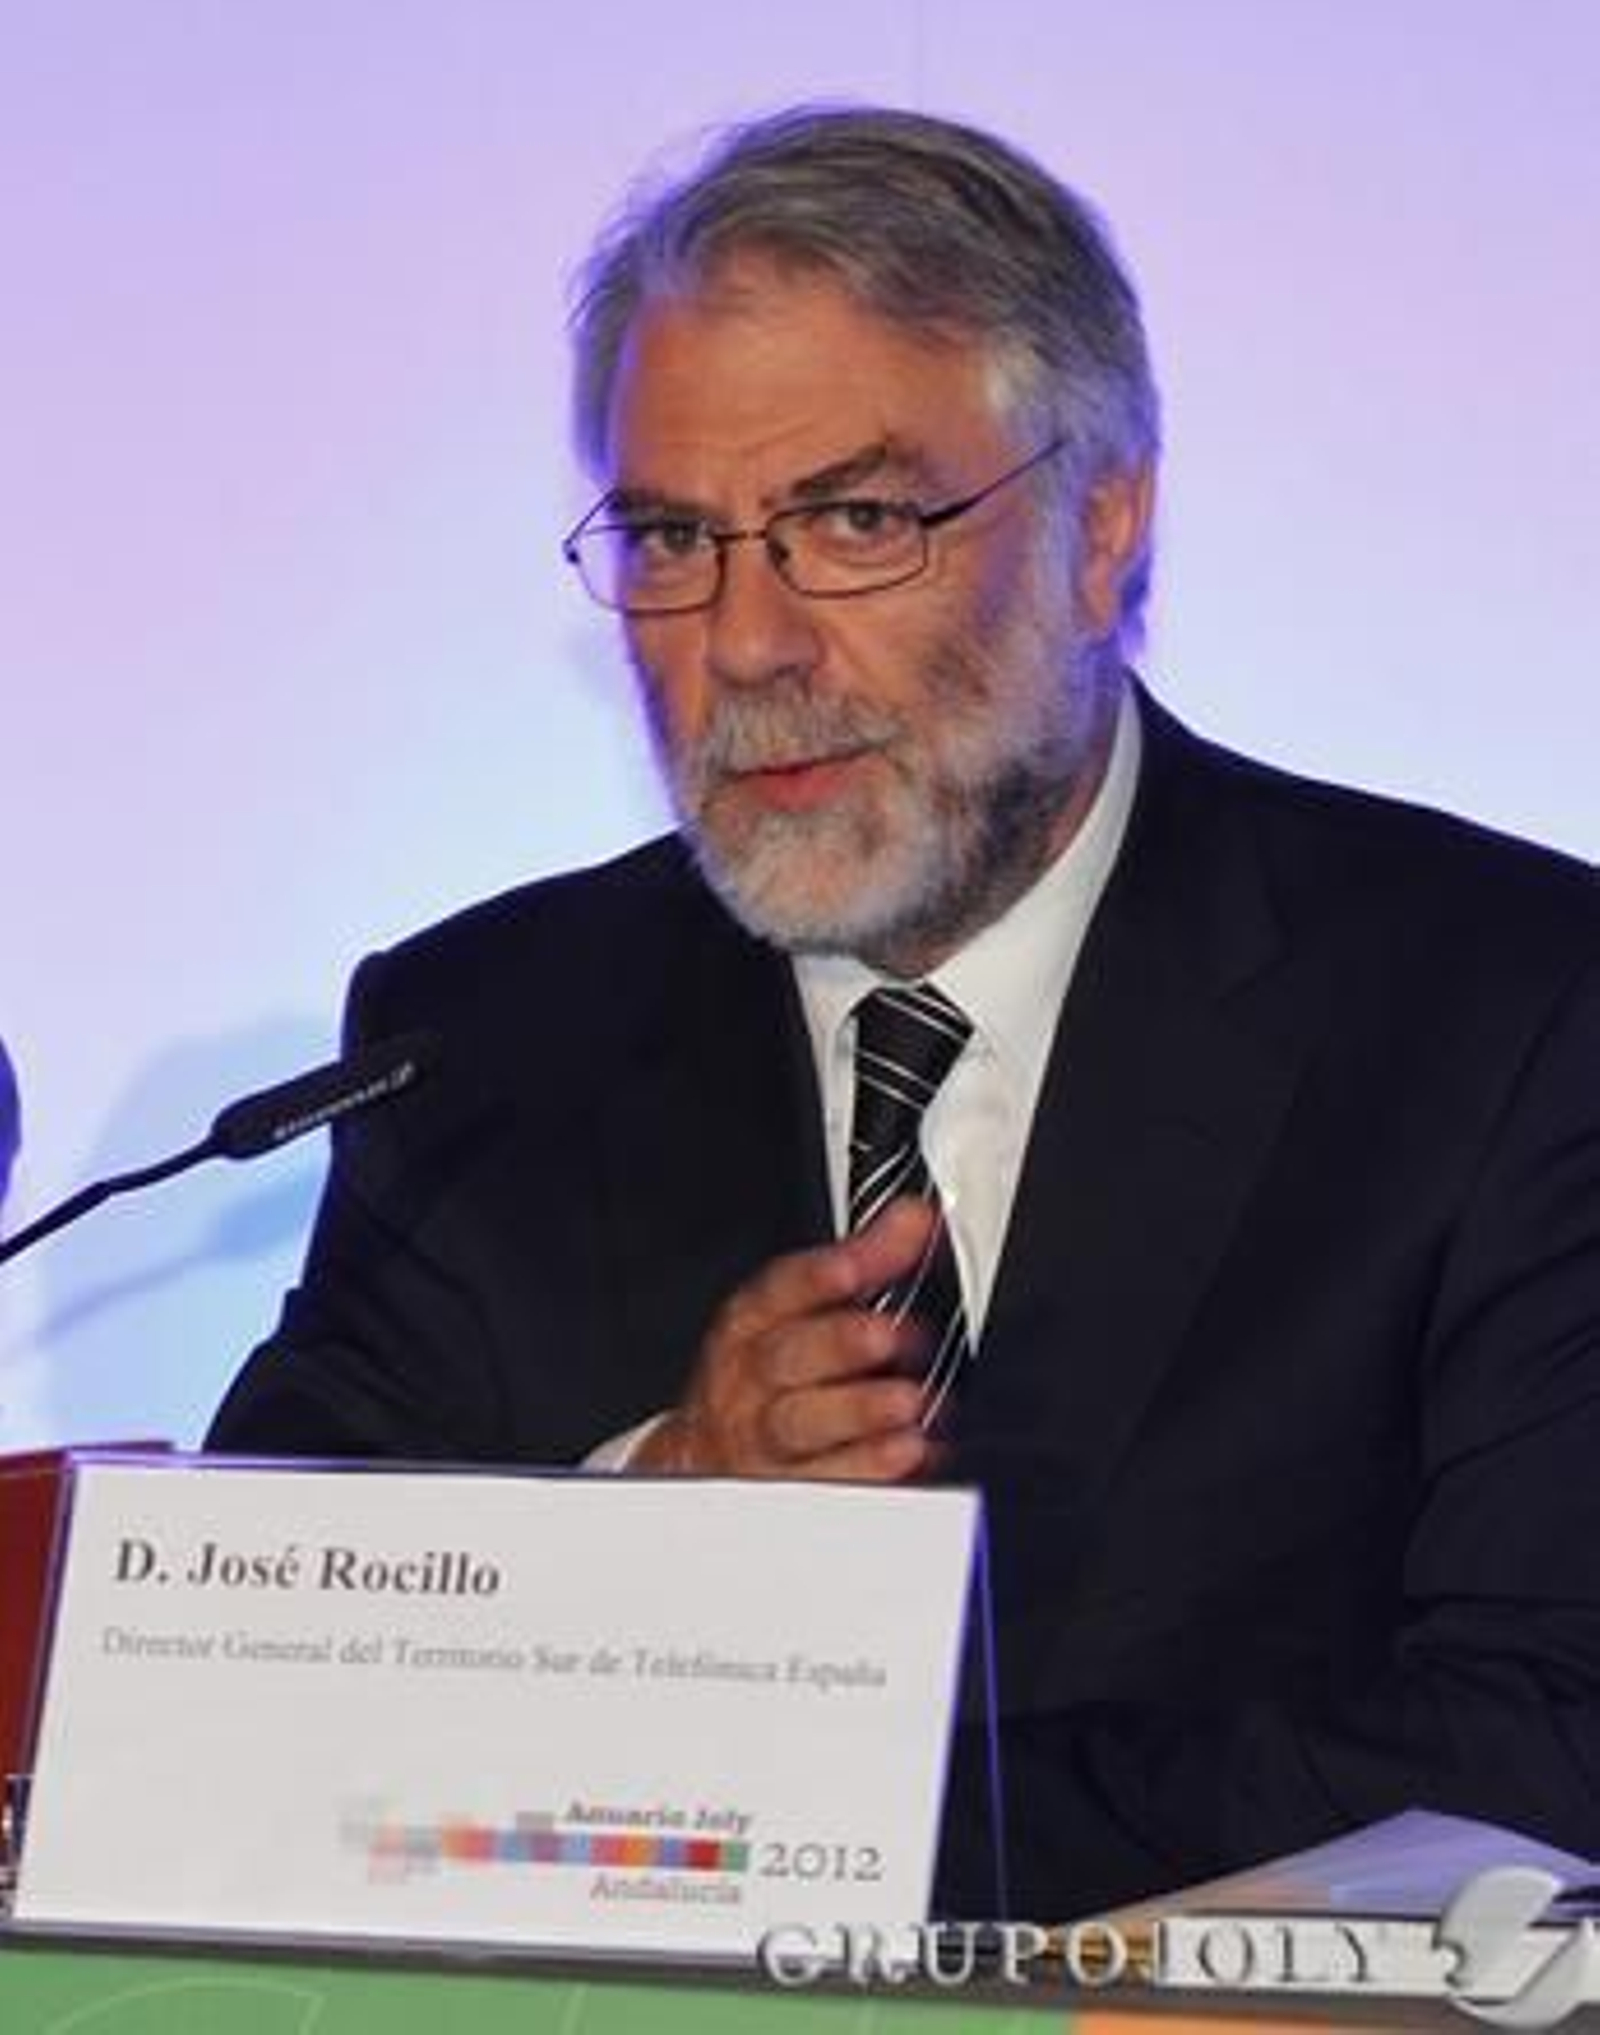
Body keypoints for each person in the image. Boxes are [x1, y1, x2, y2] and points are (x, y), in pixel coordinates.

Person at [209, 105, 1600, 1916]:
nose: (749, 641)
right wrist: (656, 1506)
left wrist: (829, 1852)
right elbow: (233, 1708)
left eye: (853, 520)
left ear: (1104, 529)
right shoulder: (483, 1037)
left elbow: (1546, 1736)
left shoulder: (1503, 1012)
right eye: (669, 537)